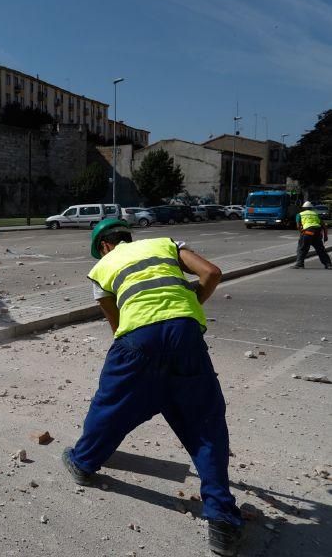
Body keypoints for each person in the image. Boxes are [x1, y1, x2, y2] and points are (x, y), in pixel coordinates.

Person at [61, 219, 243, 556]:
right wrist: (185, 309)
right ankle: (222, 520)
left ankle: (83, 463)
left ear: (103, 246)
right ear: (128, 237)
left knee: (110, 407)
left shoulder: (102, 268)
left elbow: (116, 325)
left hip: (138, 341)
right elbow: (212, 273)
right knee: (205, 425)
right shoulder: (166, 244)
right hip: (185, 334)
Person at [293, 201, 331, 269]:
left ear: (303, 208)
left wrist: (301, 232)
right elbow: (324, 226)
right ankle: (328, 264)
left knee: (302, 249)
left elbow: (298, 226)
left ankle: (299, 264)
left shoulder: (300, 214)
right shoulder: (315, 214)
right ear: (311, 208)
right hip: (317, 233)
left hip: (307, 233)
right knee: (321, 250)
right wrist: (325, 236)